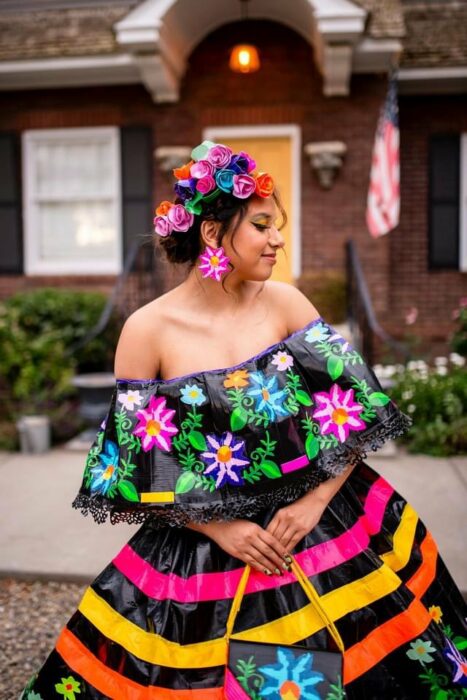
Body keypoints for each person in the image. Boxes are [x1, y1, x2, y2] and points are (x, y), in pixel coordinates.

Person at [22, 140, 467, 699]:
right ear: (212, 235)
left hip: (324, 528)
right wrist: (220, 528)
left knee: (350, 670)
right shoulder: (146, 331)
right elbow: (136, 468)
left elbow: (355, 414)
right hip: (204, 549)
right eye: (262, 225)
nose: (278, 238)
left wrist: (312, 505)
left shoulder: (285, 304)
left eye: (276, 225)